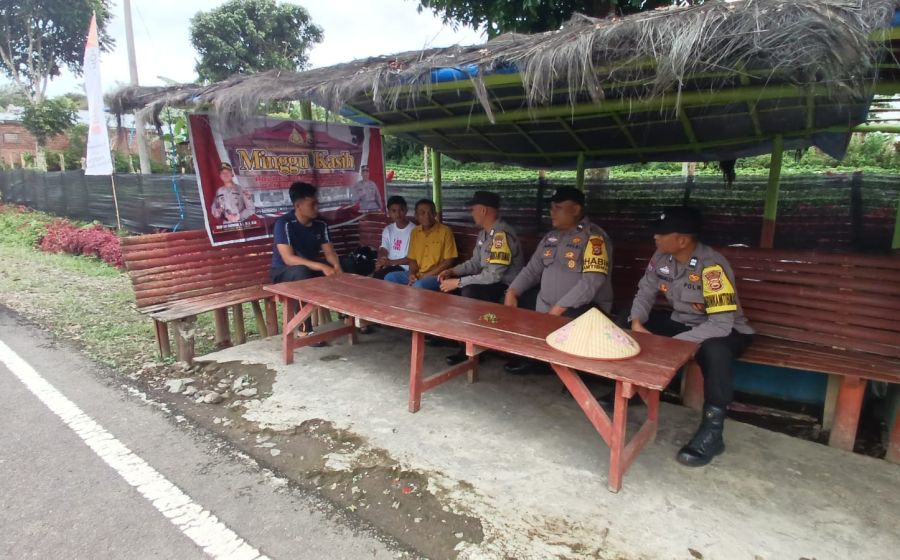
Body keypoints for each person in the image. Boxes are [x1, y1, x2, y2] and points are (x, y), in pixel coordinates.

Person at [628, 206, 754, 467]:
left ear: (683, 240)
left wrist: (675, 345)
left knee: (715, 352)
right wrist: (637, 322)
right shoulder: (661, 257)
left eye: (662, 233)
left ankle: (713, 432)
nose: (655, 237)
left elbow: (720, 324)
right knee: (626, 321)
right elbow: (645, 291)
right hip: (681, 323)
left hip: (724, 330)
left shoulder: (712, 267)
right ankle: (631, 390)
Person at [503, 186, 613, 374]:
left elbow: (591, 282)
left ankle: (576, 373)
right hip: (547, 304)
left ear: (576, 210)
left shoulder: (594, 238)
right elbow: (532, 270)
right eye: (551, 207)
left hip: (582, 307)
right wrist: (512, 291)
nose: (552, 212)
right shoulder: (550, 237)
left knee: (574, 318)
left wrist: (559, 308)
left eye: (558, 207)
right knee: (515, 301)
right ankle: (534, 358)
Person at [439, 191, 524, 365]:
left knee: (469, 291)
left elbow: (494, 276)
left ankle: (472, 349)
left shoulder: (501, 235)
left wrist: (459, 282)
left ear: (483, 210)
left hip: (505, 286)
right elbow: (475, 263)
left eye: (473, 209)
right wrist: (453, 271)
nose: (472, 213)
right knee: (452, 289)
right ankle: (460, 340)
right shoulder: (484, 234)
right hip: (489, 281)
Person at [384, 199, 457, 290]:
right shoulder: (415, 232)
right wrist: (412, 274)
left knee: (418, 285)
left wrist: (427, 275)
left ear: (435, 214)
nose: (427, 216)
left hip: (438, 275)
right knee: (390, 277)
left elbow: (448, 262)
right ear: (416, 215)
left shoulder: (445, 231)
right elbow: (412, 259)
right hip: (419, 274)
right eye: (422, 213)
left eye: (430, 212)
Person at [373, 196, 415, 280]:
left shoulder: (414, 230)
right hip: (389, 265)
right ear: (389, 212)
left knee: (378, 276)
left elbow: (412, 258)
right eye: (394, 211)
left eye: (401, 210)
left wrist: (390, 263)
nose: (398, 214)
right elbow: (384, 248)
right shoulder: (388, 229)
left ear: (406, 210)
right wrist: (381, 259)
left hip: (405, 267)